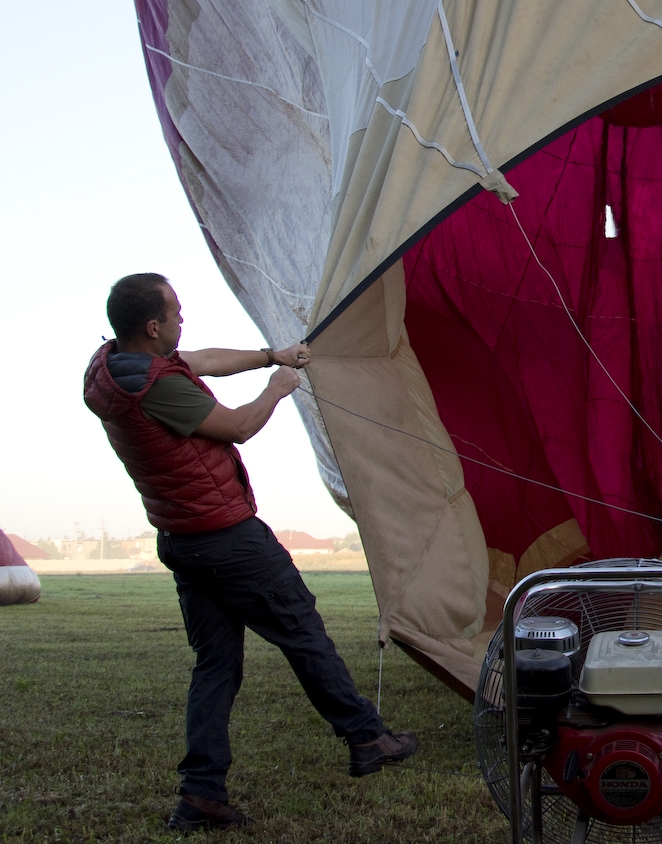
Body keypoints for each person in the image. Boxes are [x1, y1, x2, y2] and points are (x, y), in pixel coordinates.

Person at [82, 273, 417, 832]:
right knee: (301, 629)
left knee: (216, 664)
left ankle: (201, 795)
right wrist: (278, 386)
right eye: (176, 312)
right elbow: (237, 427)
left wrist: (269, 355)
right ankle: (367, 737)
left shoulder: (119, 366)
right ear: (153, 326)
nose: (183, 319)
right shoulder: (157, 389)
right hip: (227, 538)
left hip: (183, 539)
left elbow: (205, 360)